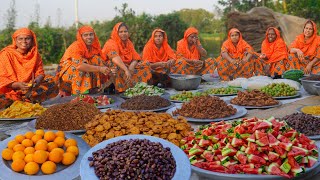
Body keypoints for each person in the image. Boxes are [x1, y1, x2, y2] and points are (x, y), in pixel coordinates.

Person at [0, 28, 58, 109]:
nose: (24, 41)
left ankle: (24, 99)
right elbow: (2, 78)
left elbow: (40, 73)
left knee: (52, 81)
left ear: (32, 40)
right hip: (9, 88)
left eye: (27, 38)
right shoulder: (6, 54)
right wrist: (17, 85)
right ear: (15, 40)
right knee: (4, 98)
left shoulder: (35, 54)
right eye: (20, 39)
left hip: (29, 87)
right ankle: (19, 99)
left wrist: (37, 81)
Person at [55, 25, 112, 96]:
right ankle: (79, 94)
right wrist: (100, 69)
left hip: (79, 68)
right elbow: (79, 66)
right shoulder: (76, 46)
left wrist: (109, 70)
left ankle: (94, 89)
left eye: (91, 34)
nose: (89, 37)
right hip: (67, 73)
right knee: (82, 67)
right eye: (86, 35)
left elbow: (101, 62)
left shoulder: (93, 47)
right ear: (81, 37)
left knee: (97, 60)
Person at [102, 22, 152, 92]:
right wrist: (126, 69)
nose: (123, 34)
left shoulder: (129, 43)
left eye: (125, 31)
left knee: (146, 64)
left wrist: (131, 66)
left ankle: (137, 87)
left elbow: (135, 58)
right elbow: (114, 57)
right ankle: (121, 88)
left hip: (127, 66)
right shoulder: (111, 42)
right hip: (115, 66)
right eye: (120, 32)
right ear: (116, 33)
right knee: (115, 65)